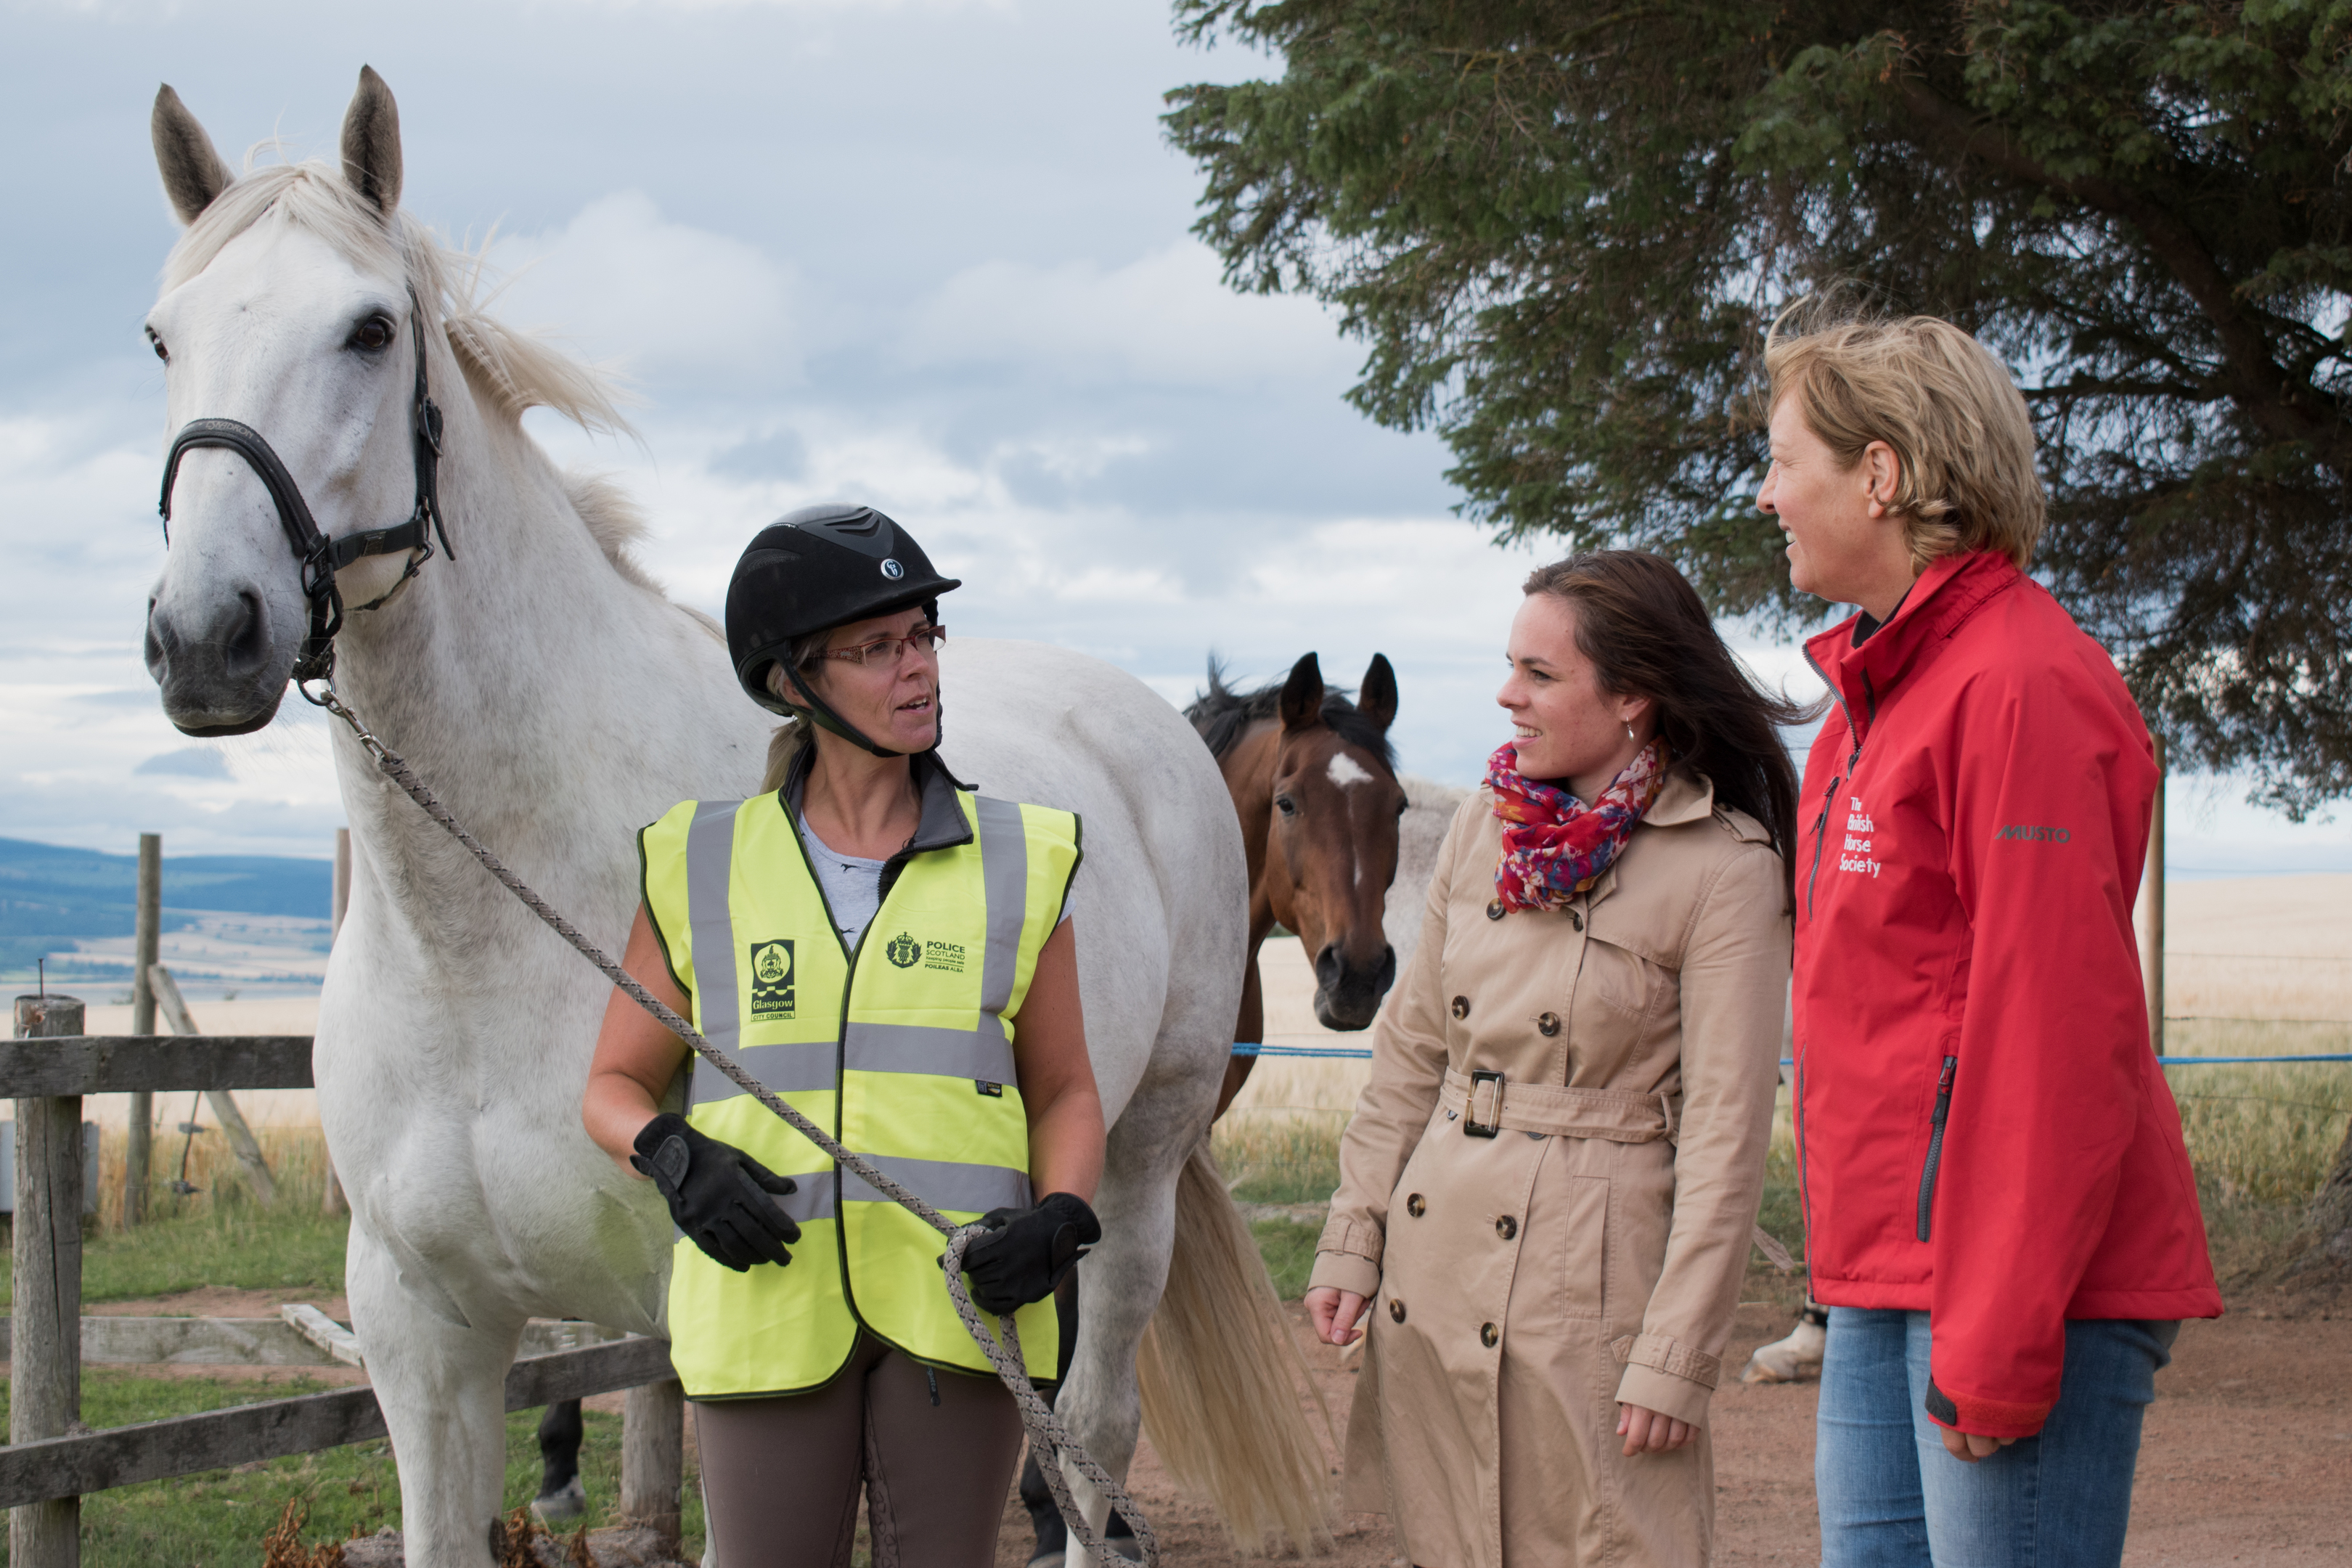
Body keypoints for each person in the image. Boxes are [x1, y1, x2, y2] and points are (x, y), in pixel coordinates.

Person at [1757, 315, 2221, 1567]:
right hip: (1885, 1279)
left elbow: (2053, 1035)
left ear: (1882, 474)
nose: (1766, 493)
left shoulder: (2019, 684)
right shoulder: (1872, 701)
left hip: (2010, 1288)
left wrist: (2003, 1335)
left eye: (1784, 457)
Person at [582, 504, 1106, 1568]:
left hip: (961, 1304)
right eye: (876, 649)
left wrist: (1061, 1214)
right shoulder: (697, 862)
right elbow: (612, 1085)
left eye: (923, 636)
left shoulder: (1024, 857)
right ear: (791, 681)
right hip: (764, 1302)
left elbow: (1064, 1092)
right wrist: (671, 1154)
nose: (918, 670)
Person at [1304, 550, 1801, 1567]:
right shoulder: (1487, 824)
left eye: (1539, 673)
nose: (1506, 694)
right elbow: (1411, 1050)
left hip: (1593, 1292)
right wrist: (1353, 1236)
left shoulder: (1726, 867)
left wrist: (1677, 1354)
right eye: (1508, 665)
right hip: (1434, 1269)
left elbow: (1725, 1135)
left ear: (1632, 697)